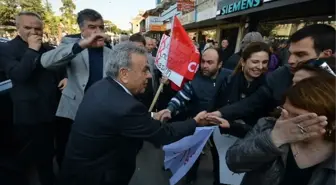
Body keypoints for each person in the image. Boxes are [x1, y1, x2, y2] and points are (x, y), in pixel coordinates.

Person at [57, 42, 229, 185]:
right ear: (124, 74)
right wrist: (196, 122)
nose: (148, 75)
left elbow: (119, 120)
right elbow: (164, 133)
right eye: (144, 70)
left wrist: (153, 116)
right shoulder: (126, 106)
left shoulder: (102, 86)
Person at [209, 24, 336, 122]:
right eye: (290, 53)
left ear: (326, 55)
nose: (291, 61)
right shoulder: (281, 75)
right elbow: (252, 102)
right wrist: (220, 113)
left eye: (300, 55)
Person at [226, 75, 336, 185]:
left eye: (298, 117)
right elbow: (233, 162)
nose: (286, 120)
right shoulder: (268, 126)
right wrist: (274, 139)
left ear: (331, 123)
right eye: (285, 111)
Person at [0, 11, 66, 185]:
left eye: (37, 28)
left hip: (52, 109)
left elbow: (59, 66)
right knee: (30, 157)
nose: (33, 32)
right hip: (28, 114)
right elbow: (19, 75)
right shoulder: (6, 48)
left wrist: (64, 77)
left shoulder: (48, 48)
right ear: (18, 28)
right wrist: (31, 50)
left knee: (49, 153)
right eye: (28, 28)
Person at [40, 9, 112, 167]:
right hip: (72, 111)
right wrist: (82, 45)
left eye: (101, 27)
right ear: (82, 29)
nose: (98, 31)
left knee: (94, 154)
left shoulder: (110, 52)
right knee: (66, 153)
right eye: (92, 27)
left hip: (100, 114)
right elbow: (46, 62)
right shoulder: (71, 45)